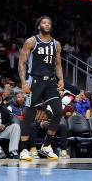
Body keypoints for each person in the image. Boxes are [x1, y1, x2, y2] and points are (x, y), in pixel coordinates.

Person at [18, 16, 65, 161]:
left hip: (50, 82)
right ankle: (23, 149)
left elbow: (58, 64)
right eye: (44, 23)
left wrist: (61, 79)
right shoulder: (31, 41)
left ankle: (46, 146)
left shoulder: (56, 44)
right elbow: (22, 62)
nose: (47, 25)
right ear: (39, 26)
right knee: (29, 115)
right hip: (34, 81)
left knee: (58, 112)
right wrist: (24, 82)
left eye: (49, 23)